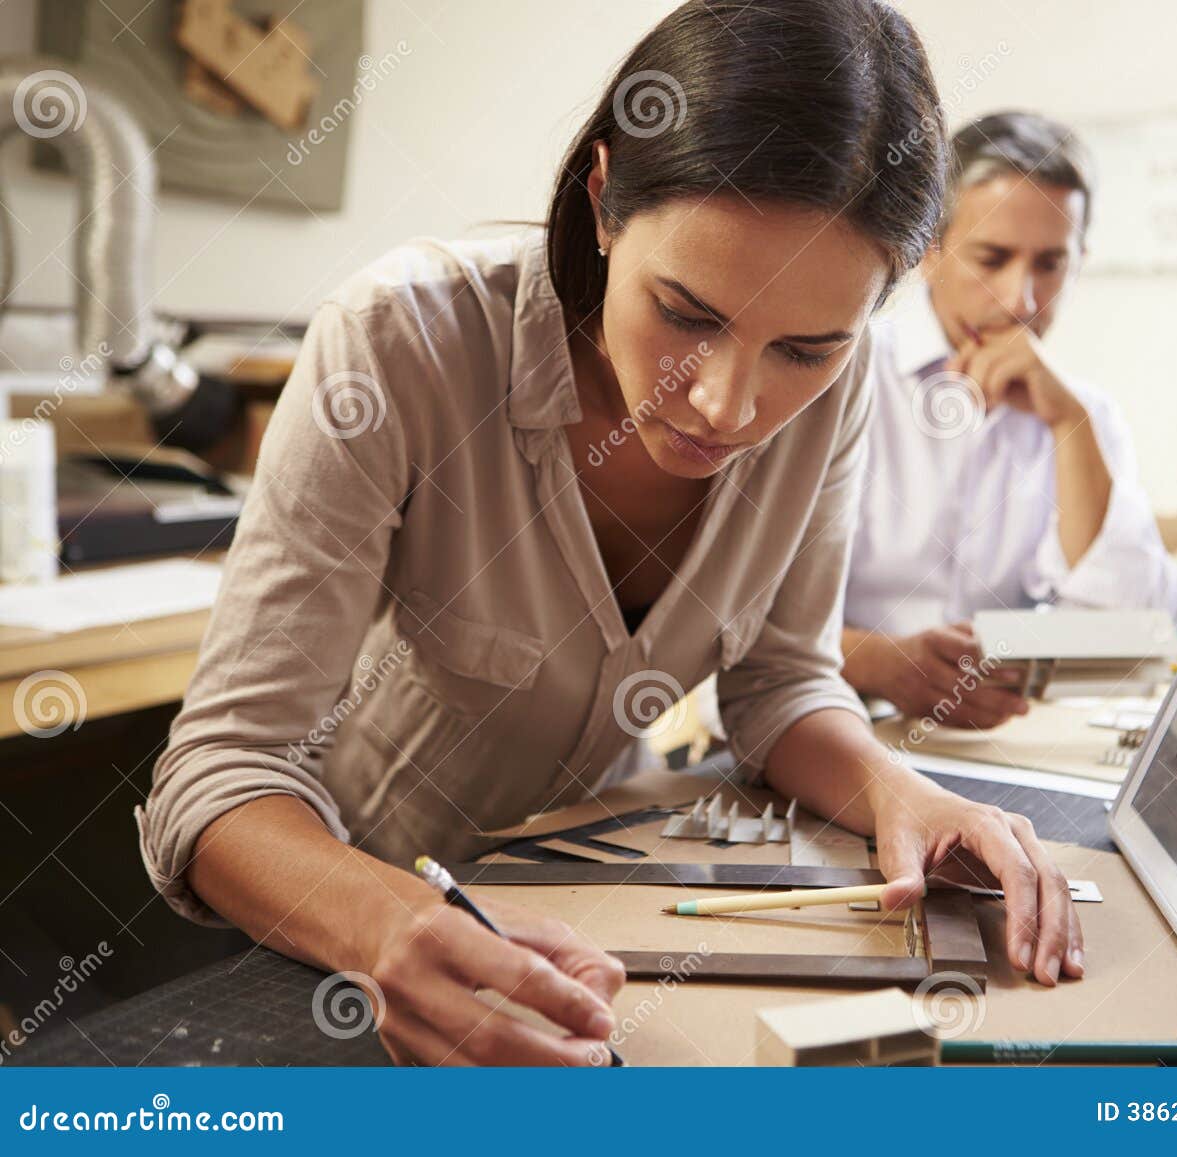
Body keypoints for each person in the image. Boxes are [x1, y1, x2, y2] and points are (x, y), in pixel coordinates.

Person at [136, 1, 1083, 1068]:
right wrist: (386, 922)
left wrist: (901, 791)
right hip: (343, 943)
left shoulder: (844, 376)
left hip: (610, 930)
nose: (728, 404)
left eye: (803, 348)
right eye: (686, 313)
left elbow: (779, 683)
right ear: (600, 202)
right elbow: (223, 772)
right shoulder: (399, 338)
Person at [841, 112, 1177, 730]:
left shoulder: (1086, 417)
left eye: (1050, 264)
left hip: (999, 748)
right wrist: (879, 664)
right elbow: (739, 622)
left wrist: (1068, 425)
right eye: (992, 258)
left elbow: (1129, 638)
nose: (1021, 300)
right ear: (929, 250)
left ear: (1081, 260)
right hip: (836, 729)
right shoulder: (841, 376)